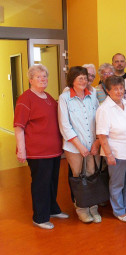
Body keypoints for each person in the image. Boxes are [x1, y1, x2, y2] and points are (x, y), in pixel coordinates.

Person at [14, 64, 68, 230]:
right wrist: (21, 149)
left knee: (52, 181)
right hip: (37, 152)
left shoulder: (48, 97)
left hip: (53, 150)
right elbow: (19, 127)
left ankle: (52, 209)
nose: (43, 79)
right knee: (41, 183)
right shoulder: (25, 98)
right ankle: (40, 217)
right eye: (38, 77)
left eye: (45, 76)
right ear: (31, 80)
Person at [58, 66, 101, 224]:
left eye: (85, 77)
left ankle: (93, 207)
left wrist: (97, 141)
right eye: (80, 78)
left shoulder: (93, 95)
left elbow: (99, 120)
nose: (84, 80)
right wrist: (80, 146)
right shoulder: (64, 98)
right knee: (79, 177)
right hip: (74, 147)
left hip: (93, 145)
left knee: (92, 175)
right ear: (72, 80)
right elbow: (65, 125)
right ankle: (82, 208)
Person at [96, 75, 126, 222]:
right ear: (108, 91)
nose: (119, 91)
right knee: (117, 183)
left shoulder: (125, 104)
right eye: (115, 89)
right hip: (117, 153)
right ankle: (118, 210)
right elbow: (102, 135)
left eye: (121, 88)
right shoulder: (104, 109)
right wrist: (109, 155)